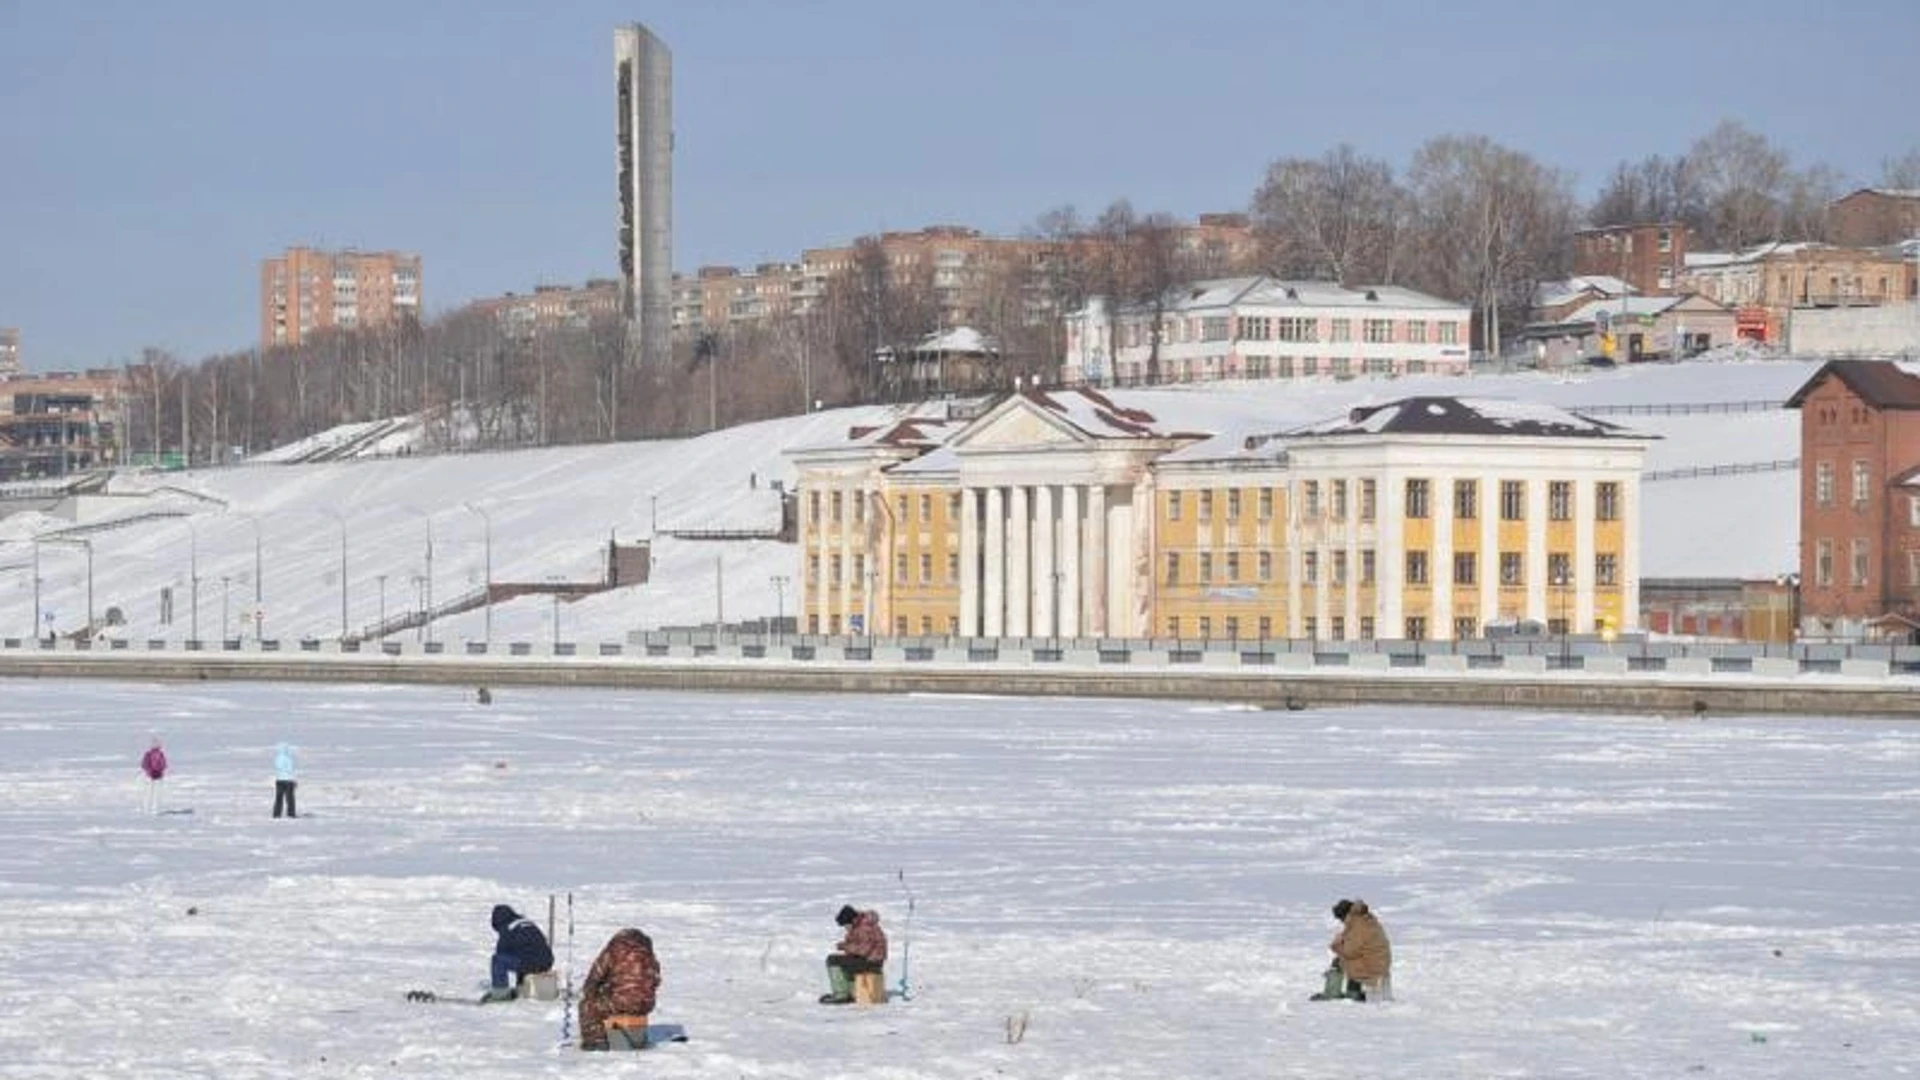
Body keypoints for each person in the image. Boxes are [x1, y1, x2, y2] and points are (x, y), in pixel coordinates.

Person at [578, 928, 661, 1051]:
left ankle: (596, 1041)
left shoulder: (614, 949)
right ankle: (635, 1037)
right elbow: (656, 979)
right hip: (646, 1003)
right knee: (619, 1003)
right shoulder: (648, 953)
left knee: (588, 1006)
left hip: (621, 1001)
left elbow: (595, 976)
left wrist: (591, 993)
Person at [1312, 898, 1391, 1002]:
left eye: (1341, 919)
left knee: (1339, 962)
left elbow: (1350, 952)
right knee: (1352, 960)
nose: (1342, 922)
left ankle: (1332, 993)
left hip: (1373, 966)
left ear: (1345, 915)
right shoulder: (1364, 918)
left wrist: (1336, 945)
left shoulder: (1357, 924)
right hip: (1380, 962)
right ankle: (1353, 992)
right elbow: (1357, 944)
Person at [481, 904, 554, 1003]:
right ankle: (521, 988)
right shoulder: (527, 923)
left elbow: (501, 952)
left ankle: (500, 995)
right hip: (547, 960)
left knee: (498, 960)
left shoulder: (507, 928)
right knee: (522, 956)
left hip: (529, 961)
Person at [820, 904, 887, 1005]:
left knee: (833, 960)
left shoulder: (864, 927)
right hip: (870, 960)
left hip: (872, 962)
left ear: (851, 920)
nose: (846, 928)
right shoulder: (861, 925)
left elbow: (864, 950)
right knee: (846, 961)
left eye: (846, 925)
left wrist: (845, 946)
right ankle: (851, 992)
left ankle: (842, 994)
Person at [140, 736, 168, 814]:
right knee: (154, 793)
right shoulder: (155, 754)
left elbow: (144, 765)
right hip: (154, 775)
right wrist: (156, 771)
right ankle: (151, 809)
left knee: (150, 793)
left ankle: (149, 809)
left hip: (153, 775)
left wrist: (149, 771)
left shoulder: (151, 754)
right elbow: (164, 765)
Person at [272, 743, 298, 819]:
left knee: (278, 798)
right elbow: (290, 769)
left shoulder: (277, 758)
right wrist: (294, 779)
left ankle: (276, 814)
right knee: (290, 799)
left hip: (279, 780)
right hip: (288, 780)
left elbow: (277, 768)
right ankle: (291, 814)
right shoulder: (288, 758)